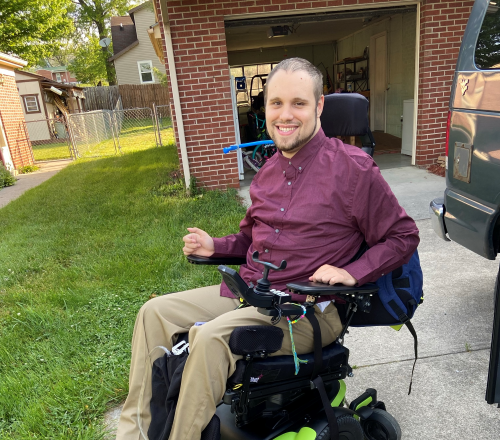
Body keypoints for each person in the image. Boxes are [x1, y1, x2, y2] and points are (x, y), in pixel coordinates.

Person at [116, 57, 420, 440]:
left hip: (309, 311)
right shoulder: (269, 171)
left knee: (211, 339)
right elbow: (249, 241)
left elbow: (403, 236)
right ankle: (133, 433)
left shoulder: (353, 170)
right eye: (276, 103)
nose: (285, 114)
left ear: (319, 106)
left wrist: (351, 272)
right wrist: (216, 246)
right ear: (266, 109)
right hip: (256, 294)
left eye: (299, 103)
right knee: (154, 312)